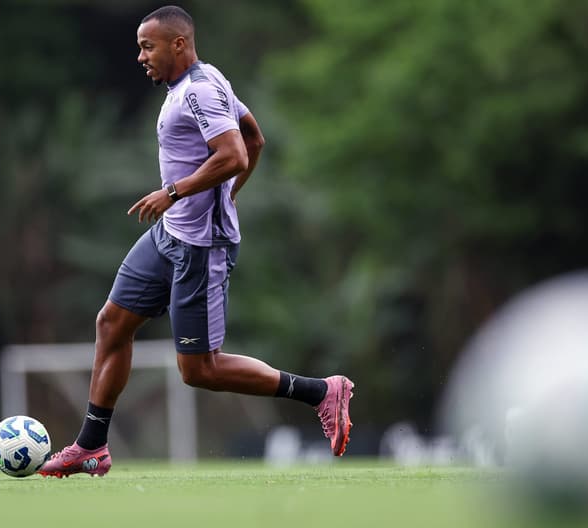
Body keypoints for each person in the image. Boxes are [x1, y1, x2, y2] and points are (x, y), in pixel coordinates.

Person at [39, 5, 353, 477]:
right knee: (111, 323)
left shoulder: (201, 91)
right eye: (140, 47)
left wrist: (175, 192)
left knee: (199, 370)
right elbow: (255, 139)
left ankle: (321, 391)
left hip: (201, 245)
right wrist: (221, 197)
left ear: (178, 44)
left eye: (148, 46)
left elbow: (235, 153)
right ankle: (92, 446)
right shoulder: (201, 81)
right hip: (171, 234)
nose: (141, 56)